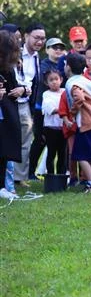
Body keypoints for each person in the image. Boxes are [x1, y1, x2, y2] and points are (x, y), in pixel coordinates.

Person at [64, 52, 91, 193]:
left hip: (87, 123)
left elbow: (79, 98)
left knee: (80, 155)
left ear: (68, 67)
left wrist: (72, 113)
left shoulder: (74, 83)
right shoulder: (86, 80)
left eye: (65, 64)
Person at [29, 36, 66, 179]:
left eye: (61, 48)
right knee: (40, 140)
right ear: (47, 49)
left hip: (61, 114)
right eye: (54, 47)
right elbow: (45, 80)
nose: (58, 50)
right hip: (41, 108)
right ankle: (31, 171)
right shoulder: (43, 64)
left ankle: (60, 175)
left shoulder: (63, 64)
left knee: (60, 147)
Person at [15, 23, 45, 186]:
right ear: (26, 36)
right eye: (36, 38)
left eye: (42, 38)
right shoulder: (15, 52)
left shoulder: (36, 57)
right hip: (10, 100)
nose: (39, 42)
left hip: (26, 103)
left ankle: (20, 177)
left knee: (25, 140)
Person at [0, 30, 22, 200]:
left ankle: (1, 187)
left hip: (4, 115)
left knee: (3, 150)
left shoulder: (8, 69)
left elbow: (12, 86)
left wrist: (23, 89)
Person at [41, 69, 66, 174]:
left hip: (63, 127)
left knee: (62, 153)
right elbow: (51, 110)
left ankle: (61, 175)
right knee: (51, 153)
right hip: (51, 128)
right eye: (51, 80)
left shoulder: (65, 91)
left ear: (61, 80)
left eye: (56, 79)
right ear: (47, 82)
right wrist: (65, 111)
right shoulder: (46, 94)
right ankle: (50, 175)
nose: (54, 82)